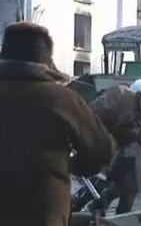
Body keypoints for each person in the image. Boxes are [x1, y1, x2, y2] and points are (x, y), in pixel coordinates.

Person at [0, 22, 116, 226]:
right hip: (43, 213)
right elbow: (102, 149)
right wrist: (72, 166)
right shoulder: (62, 99)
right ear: (45, 59)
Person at [88, 80, 141, 216]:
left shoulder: (136, 111)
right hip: (96, 146)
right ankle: (84, 207)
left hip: (111, 149)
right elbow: (100, 120)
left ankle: (121, 216)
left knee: (130, 182)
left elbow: (122, 137)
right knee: (99, 182)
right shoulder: (122, 99)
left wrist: (136, 132)